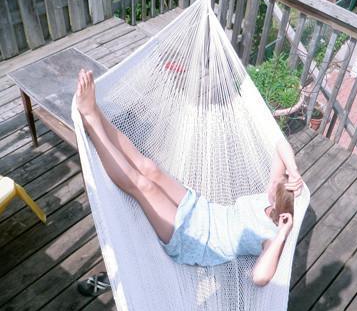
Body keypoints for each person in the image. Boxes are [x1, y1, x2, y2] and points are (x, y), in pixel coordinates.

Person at [75, 69, 304, 287]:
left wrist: (282, 234)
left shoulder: (271, 236)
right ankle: (96, 113)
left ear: (278, 204)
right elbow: (279, 145)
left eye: (278, 185)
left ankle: (91, 120)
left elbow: (259, 278)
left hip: (191, 240)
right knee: (150, 168)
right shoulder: (273, 195)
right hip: (200, 209)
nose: (273, 182)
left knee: (143, 185)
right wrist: (292, 170)